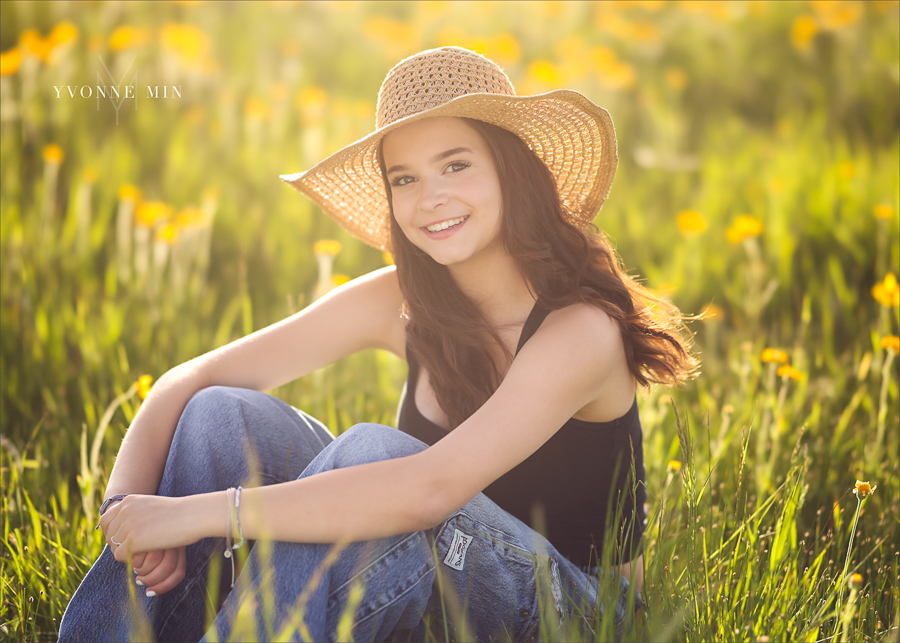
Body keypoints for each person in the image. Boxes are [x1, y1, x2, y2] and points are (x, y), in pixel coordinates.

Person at [58, 46, 696, 642]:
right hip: (434, 561)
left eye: (456, 165)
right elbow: (188, 380)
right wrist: (130, 517)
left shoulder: (581, 329)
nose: (431, 197)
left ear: (511, 170)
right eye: (405, 178)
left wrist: (204, 514)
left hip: (576, 609)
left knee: (369, 458)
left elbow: (429, 489)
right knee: (218, 415)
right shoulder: (405, 297)